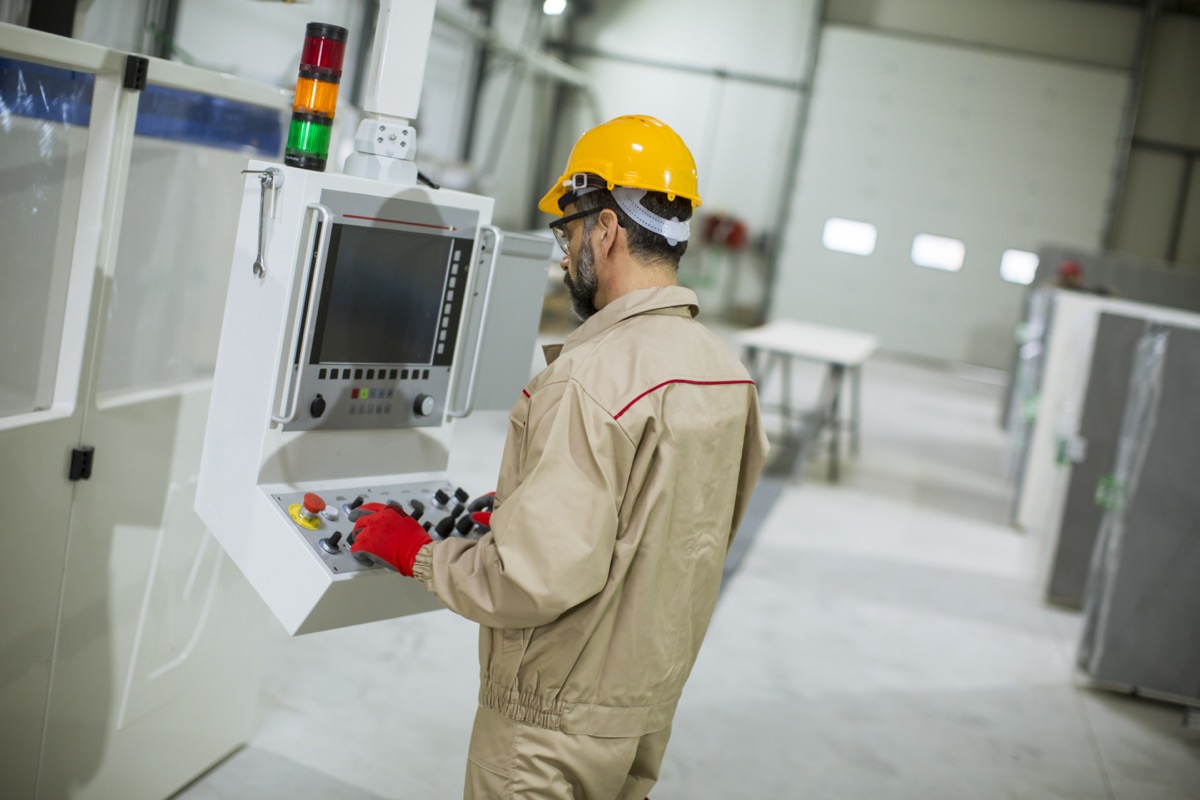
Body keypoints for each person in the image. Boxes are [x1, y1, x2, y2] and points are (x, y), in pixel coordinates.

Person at [349, 114, 769, 799]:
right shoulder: (725, 373)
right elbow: (671, 533)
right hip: (640, 710)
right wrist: (523, 510)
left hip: (551, 728)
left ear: (604, 229)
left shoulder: (588, 378)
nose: (564, 252)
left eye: (567, 233)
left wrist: (419, 554)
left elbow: (530, 581)